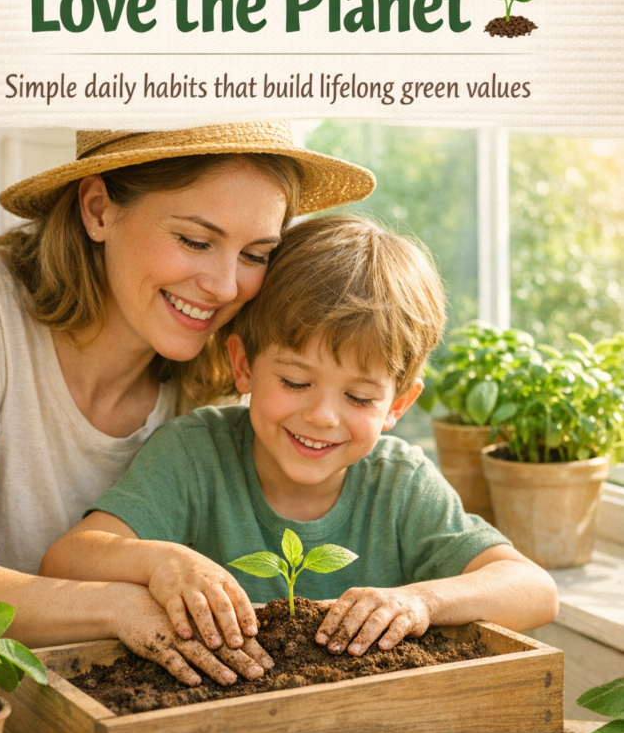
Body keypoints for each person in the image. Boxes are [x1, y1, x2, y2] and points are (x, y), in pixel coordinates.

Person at [0, 122, 375, 688]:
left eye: (255, 253)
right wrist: (122, 602)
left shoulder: (219, 381)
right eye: (195, 241)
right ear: (97, 209)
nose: (224, 286)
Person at [41, 216, 559, 661]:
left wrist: (420, 602)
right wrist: (160, 561)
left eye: (359, 398)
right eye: (294, 382)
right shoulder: (194, 453)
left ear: (398, 405)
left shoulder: (399, 483)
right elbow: (67, 560)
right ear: (242, 364)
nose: (323, 417)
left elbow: (535, 591)